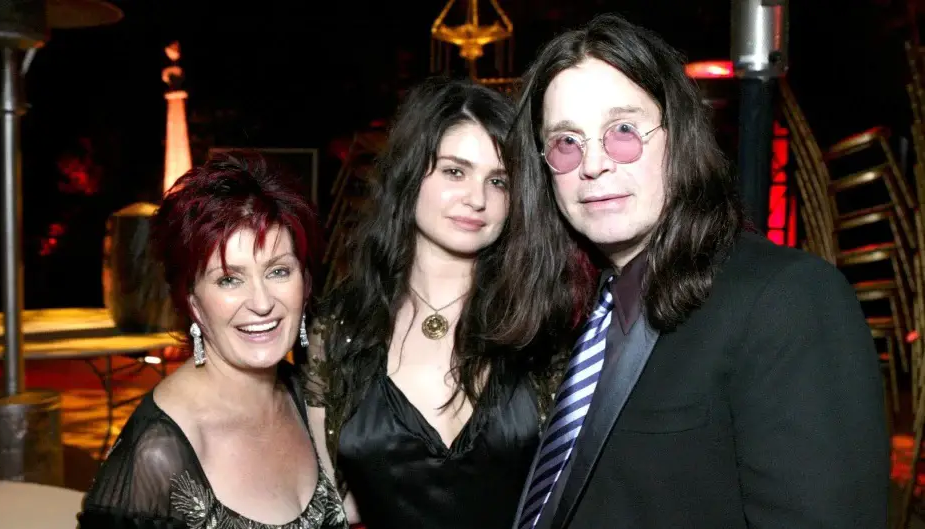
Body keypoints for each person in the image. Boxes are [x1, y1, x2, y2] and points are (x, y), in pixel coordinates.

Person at [506, 13, 889, 529]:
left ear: (678, 135)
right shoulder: (575, 310)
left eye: (622, 130)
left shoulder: (788, 299)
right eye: (567, 142)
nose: (593, 164)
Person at [304, 78, 573, 529]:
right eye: (454, 171)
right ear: (410, 174)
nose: (476, 198)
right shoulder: (340, 328)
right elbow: (327, 502)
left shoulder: (541, 323)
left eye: (498, 181)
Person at [78, 153, 347, 529]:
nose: (262, 302)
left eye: (279, 271)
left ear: (305, 284)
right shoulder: (157, 454)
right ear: (194, 303)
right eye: (229, 279)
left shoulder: (309, 399)